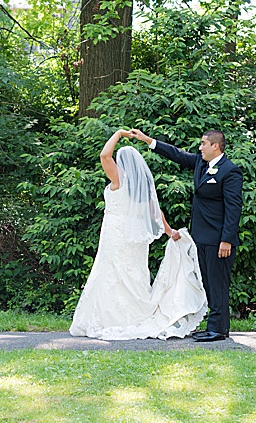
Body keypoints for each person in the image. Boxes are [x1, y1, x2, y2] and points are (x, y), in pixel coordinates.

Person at [69, 129, 208, 340]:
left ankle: (113, 319)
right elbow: (155, 212)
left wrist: (118, 134)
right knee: (133, 274)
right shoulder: (141, 186)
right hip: (135, 236)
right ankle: (134, 315)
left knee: (112, 272)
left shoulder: (119, 179)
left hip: (116, 232)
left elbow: (104, 156)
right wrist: (170, 231)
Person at [131, 129, 243, 342]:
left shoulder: (230, 171)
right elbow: (177, 154)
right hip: (201, 236)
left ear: (215, 146)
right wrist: (148, 140)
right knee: (207, 283)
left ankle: (218, 329)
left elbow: (233, 208)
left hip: (219, 239)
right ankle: (214, 326)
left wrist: (226, 239)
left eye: (203, 144)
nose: (200, 148)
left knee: (218, 283)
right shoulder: (201, 163)